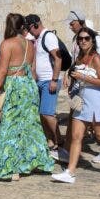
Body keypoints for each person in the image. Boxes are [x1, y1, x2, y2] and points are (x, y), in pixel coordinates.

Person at [0, 13, 57, 180]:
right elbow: (33, 72)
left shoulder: (7, 44)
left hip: (14, 87)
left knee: (9, 126)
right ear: (23, 26)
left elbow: (2, 72)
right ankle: (34, 161)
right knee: (30, 126)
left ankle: (10, 167)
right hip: (29, 86)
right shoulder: (30, 44)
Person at [52, 27, 100, 183]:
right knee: (76, 136)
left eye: (86, 38)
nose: (83, 41)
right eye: (80, 39)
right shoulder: (79, 57)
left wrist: (83, 76)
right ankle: (70, 172)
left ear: (92, 40)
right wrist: (72, 81)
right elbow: (77, 76)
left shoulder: (95, 58)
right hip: (83, 101)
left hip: (96, 101)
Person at [27, 14, 65, 154]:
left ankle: (59, 140)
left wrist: (54, 80)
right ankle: (50, 140)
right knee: (41, 113)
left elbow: (58, 58)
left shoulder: (48, 36)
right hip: (40, 81)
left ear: (36, 25)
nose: (30, 31)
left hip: (49, 80)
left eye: (30, 28)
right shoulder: (38, 38)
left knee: (47, 113)